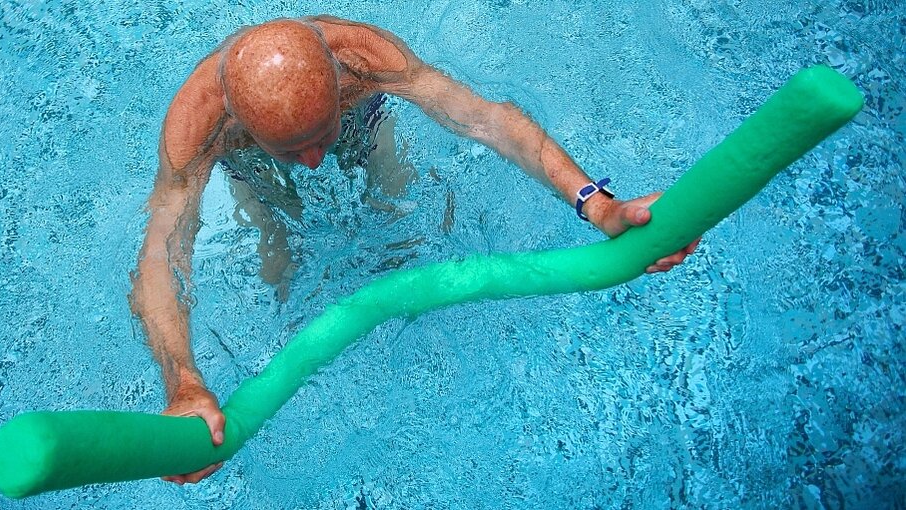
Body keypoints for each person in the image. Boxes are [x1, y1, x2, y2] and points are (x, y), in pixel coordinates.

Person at [128, 15, 700, 485]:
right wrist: (184, 383)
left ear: (338, 78)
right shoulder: (198, 126)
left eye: (319, 140)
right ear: (238, 119)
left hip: (360, 127)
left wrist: (597, 204)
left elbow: (488, 121)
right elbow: (161, 258)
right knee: (282, 268)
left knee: (406, 226)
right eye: (294, 150)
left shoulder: (363, 56)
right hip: (254, 168)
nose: (313, 163)